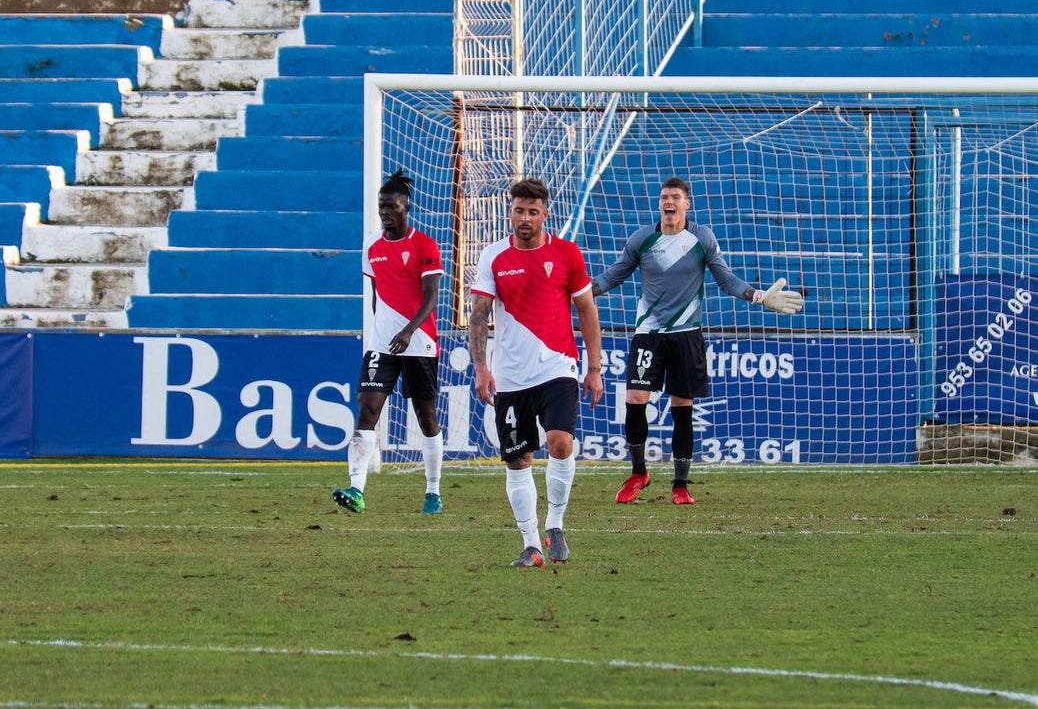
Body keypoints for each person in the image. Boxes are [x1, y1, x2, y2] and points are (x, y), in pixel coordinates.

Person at [592, 177, 803, 506]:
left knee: (682, 408)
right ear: (659, 204)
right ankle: (638, 473)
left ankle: (680, 484)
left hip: (687, 336)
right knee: (634, 398)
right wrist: (577, 292)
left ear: (687, 204)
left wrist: (759, 296)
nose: (668, 202)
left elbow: (726, 278)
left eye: (675, 197)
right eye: (664, 197)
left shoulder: (701, 238)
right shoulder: (642, 239)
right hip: (649, 334)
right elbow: (612, 275)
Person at [468, 178, 604, 568]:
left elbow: (587, 311)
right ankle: (531, 545)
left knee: (561, 442)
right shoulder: (493, 256)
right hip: (510, 377)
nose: (524, 218)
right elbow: (478, 315)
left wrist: (593, 369)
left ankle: (555, 524)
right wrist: (481, 367)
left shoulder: (566, 254)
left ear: (546, 213)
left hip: (558, 367)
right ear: (509, 211)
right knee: (518, 460)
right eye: (518, 210)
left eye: (532, 211)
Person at [333, 169, 445, 515]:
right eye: (381, 206)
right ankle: (357, 489)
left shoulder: (424, 245)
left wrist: (409, 330)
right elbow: (375, 295)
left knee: (425, 416)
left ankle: (432, 491)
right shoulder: (371, 245)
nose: (385, 212)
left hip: (419, 341)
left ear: (405, 207)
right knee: (367, 409)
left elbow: (431, 298)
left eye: (391, 206)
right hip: (382, 344)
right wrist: (377, 332)